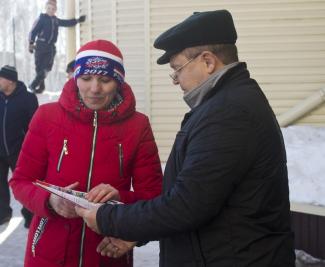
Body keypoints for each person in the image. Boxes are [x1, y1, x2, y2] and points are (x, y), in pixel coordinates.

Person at [76, 10, 296, 267]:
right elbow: (198, 201)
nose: (175, 80)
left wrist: (107, 218)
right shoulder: (228, 103)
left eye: (177, 69)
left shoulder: (229, 113)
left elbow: (185, 206)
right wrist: (136, 232)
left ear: (207, 62)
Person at [9, 40, 162, 267]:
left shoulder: (137, 126)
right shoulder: (46, 116)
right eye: (86, 78)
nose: (94, 88)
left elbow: (154, 197)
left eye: (105, 80)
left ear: (118, 82)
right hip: (48, 251)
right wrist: (50, 201)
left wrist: (120, 199)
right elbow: (21, 182)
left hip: (108, 249)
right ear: (75, 78)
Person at [0, 65, 38, 227]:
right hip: (0, 151)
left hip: (20, 152)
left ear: (9, 80)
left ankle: (30, 216)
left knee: (24, 186)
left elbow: (35, 127)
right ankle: (3, 215)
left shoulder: (28, 98)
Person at [28, 0, 86, 94]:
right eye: (49, 8)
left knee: (47, 67)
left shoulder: (56, 20)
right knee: (39, 68)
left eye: (53, 9)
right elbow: (33, 31)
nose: (51, 10)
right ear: (46, 8)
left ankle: (32, 85)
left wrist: (78, 20)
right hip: (40, 45)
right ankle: (41, 87)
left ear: (55, 10)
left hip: (50, 47)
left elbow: (66, 23)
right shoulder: (42, 18)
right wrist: (31, 43)